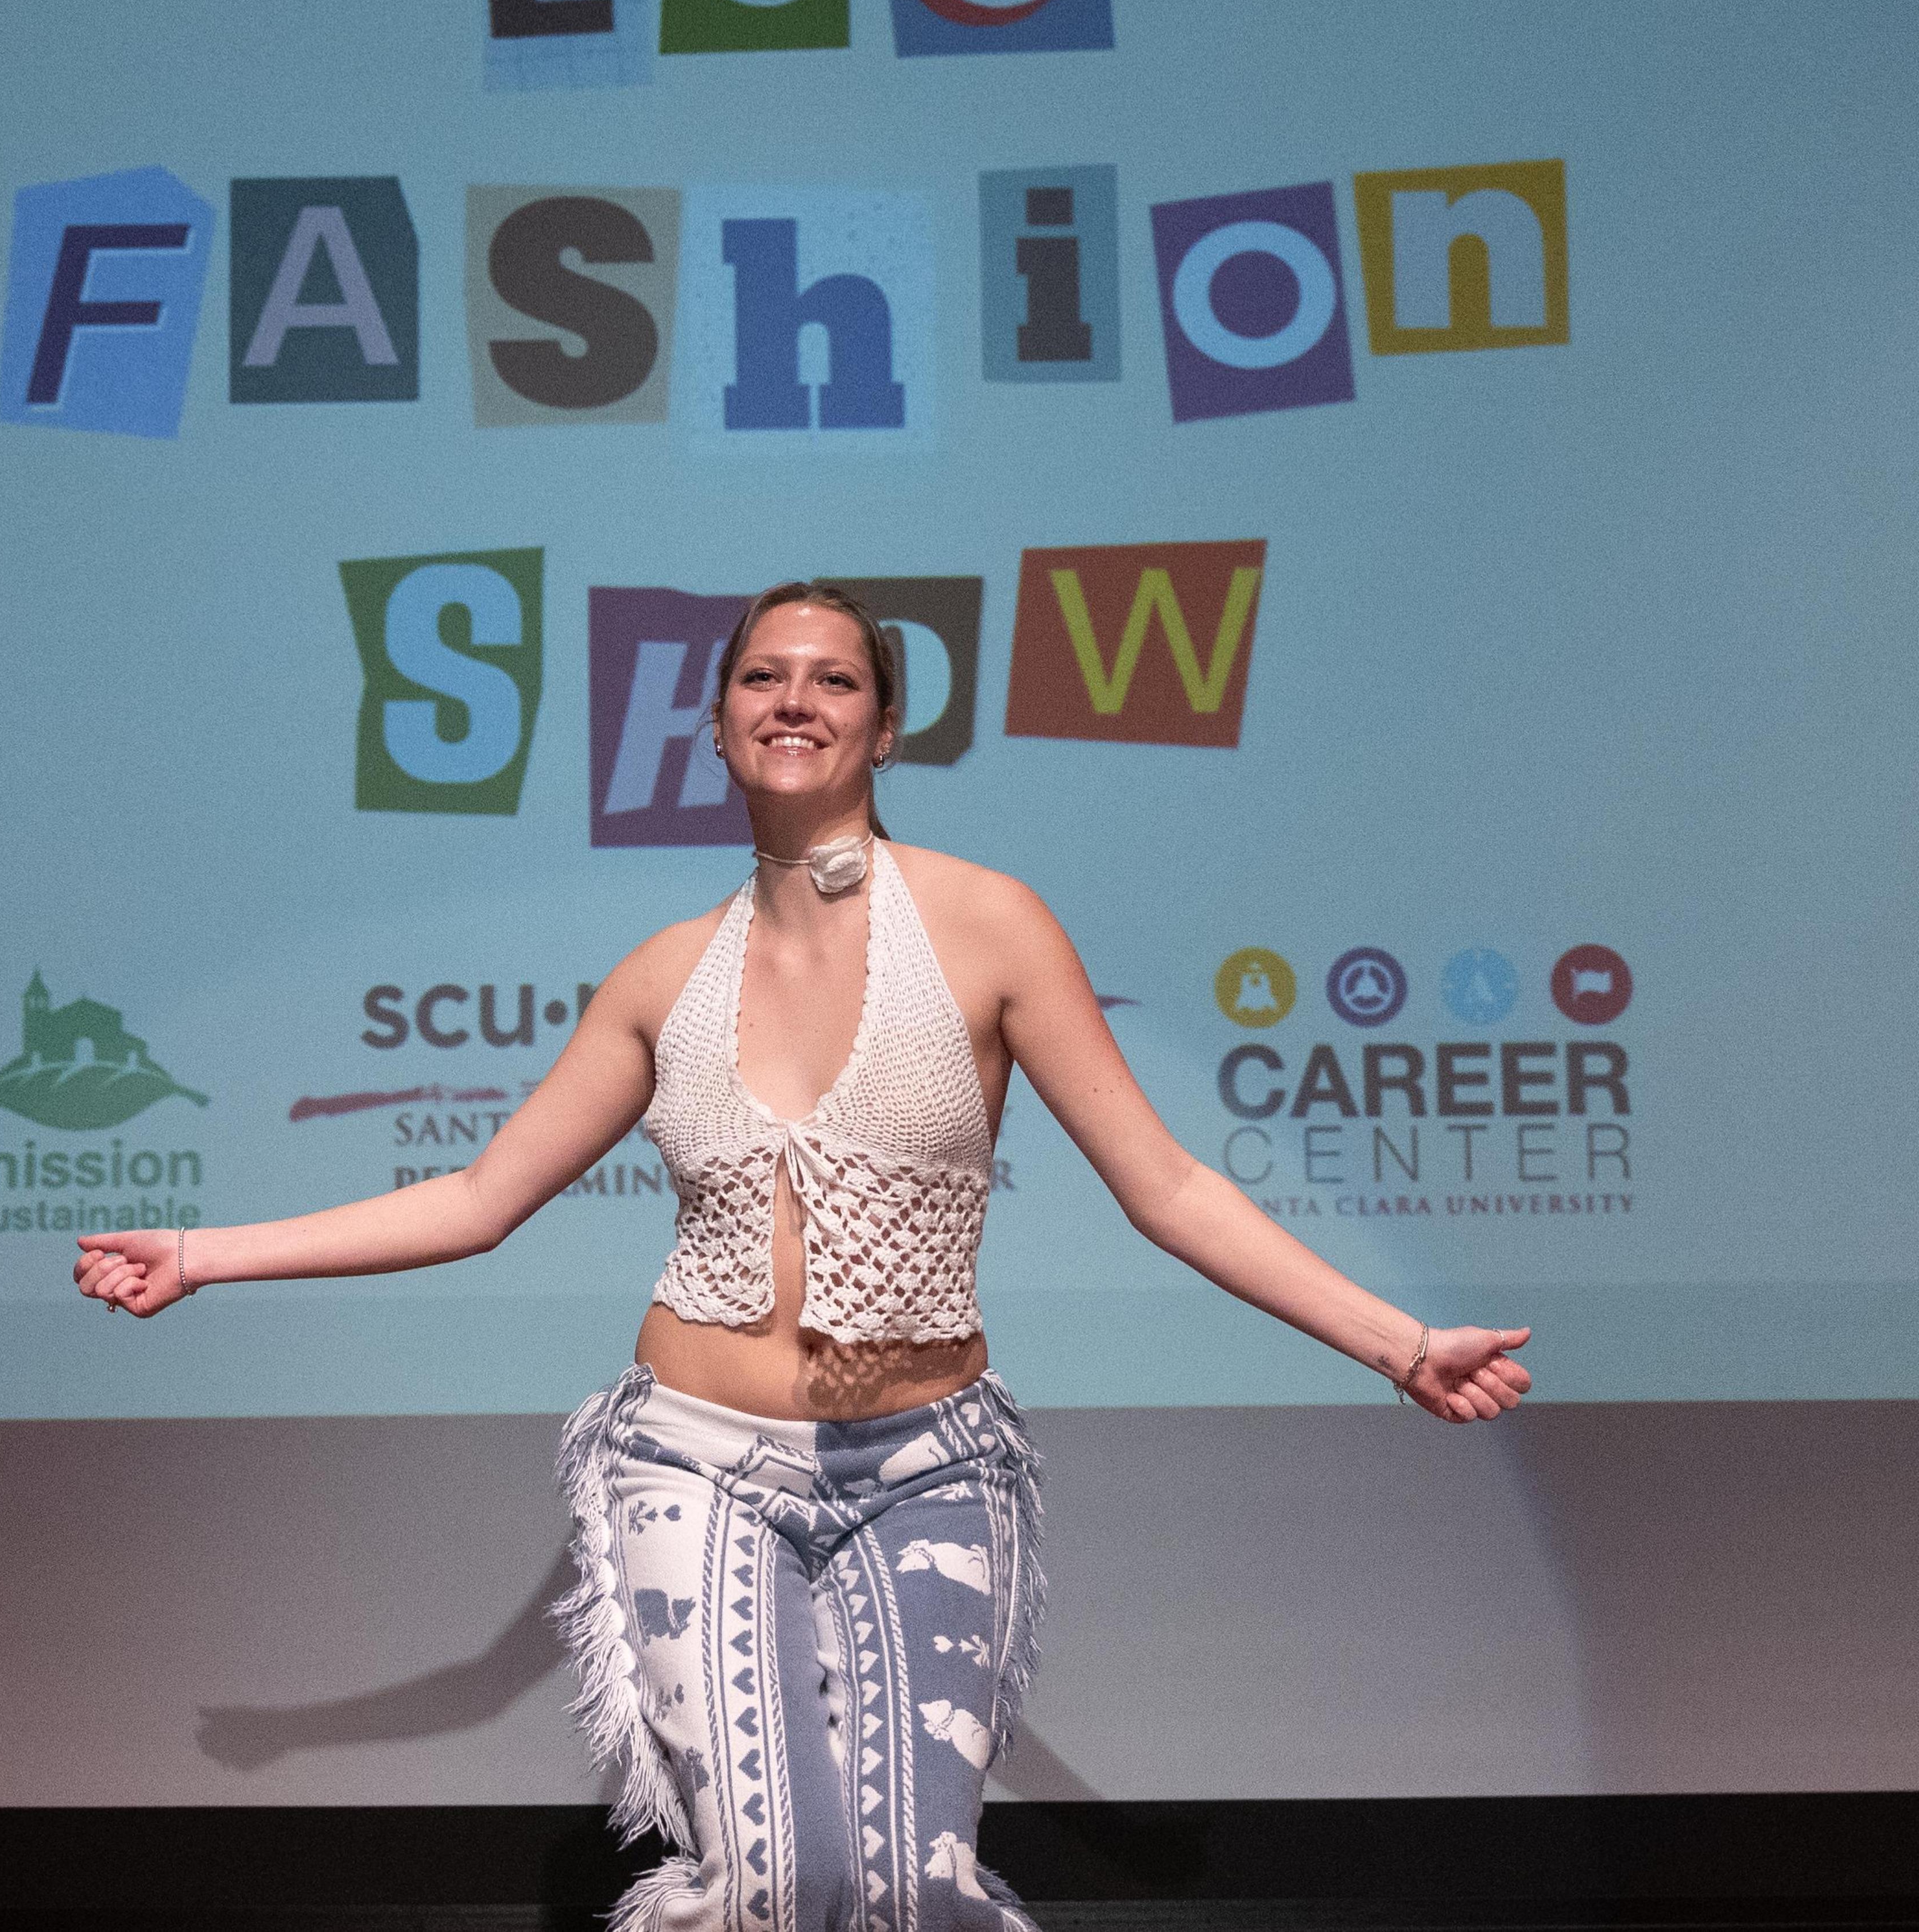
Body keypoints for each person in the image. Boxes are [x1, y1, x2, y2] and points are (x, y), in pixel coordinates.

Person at [75, 580, 1532, 1931]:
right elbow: (474, 1195)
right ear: (715, 723)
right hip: (693, 1461)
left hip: (930, 1466)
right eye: (762, 676)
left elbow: (1163, 1184)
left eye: (833, 679)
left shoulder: (987, 926)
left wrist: (1395, 1341)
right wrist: (206, 1253)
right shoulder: (661, 977)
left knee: (906, 1888)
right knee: (775, 1879)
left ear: (883, 726)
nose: (795, 699)